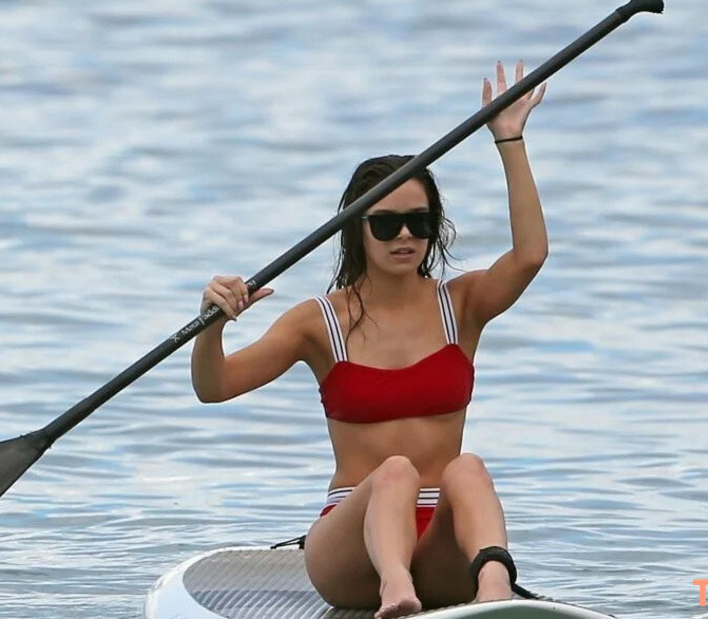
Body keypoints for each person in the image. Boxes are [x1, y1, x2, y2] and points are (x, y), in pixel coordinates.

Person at [191, 60, 547, 619]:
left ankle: (495, 587)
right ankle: (394, 587)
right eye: (385, 223)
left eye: (419, 222)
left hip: (441, 545)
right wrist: (212, 325)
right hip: (353, 550)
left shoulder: (462, 305)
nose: (404, 235)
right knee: (396, 470)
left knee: (468, 468)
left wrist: (509, 140)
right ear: (357, 230)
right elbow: (214, 387)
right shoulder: (319, 322)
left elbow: (530, 255)